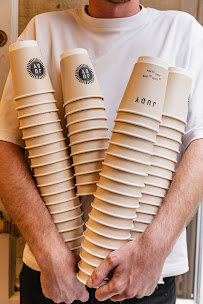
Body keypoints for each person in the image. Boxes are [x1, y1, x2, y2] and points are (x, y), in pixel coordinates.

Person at [0, 0, 203, 303]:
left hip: (145, 277)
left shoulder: (183, 32)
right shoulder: (43, 30)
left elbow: (200, 147)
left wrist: (154, 248)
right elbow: (6, 147)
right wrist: (48, 252)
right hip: (53, 275)